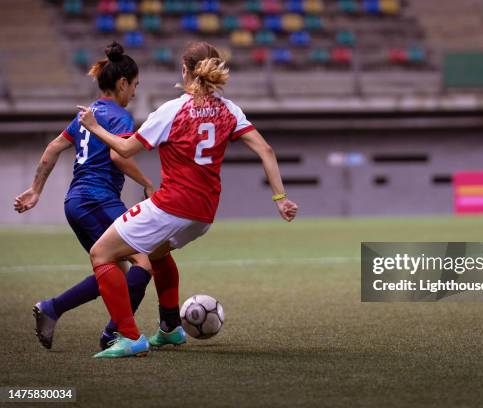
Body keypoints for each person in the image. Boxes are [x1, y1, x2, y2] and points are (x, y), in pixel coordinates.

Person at [77, 41, 298, 358]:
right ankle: (170, 329)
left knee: (101, 253)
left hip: (171, 205)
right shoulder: (229, 109)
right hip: (203, 214)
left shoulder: (171, 110)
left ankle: (129, 337)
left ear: (185, 70)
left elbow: (124, 151)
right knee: (155, 253)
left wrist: (94, 126)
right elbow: (266, 150)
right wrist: (280, 198)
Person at [14, 42, 155, 351]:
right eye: (134, 86)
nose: (133, 93)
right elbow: (120, 157)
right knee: (143, 263)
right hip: (99, 199)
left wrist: (36, 190)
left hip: (75, 202)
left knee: (113, 271)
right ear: (122, 84)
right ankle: (116, 333)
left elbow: (53, 148)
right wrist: (148, 183)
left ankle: (52, 309)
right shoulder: (119, 117)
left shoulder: (86, 115)